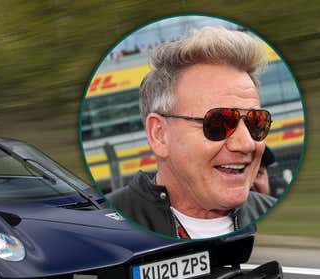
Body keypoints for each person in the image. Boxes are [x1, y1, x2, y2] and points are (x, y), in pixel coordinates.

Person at [107, 26, 277, 239]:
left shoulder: (275, 214)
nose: (246, 143)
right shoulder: (106, 225)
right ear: (160, 135)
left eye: (256, 122)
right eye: (219, 122)